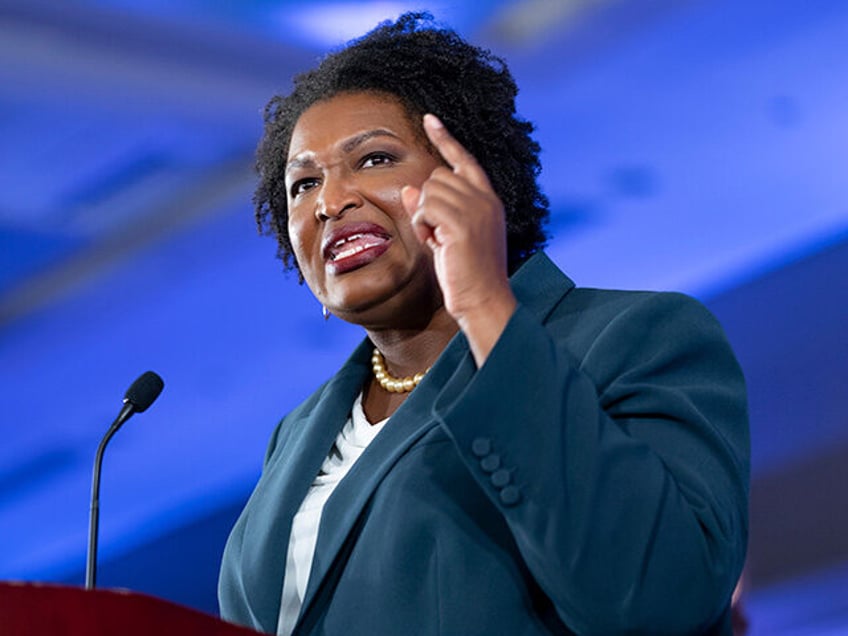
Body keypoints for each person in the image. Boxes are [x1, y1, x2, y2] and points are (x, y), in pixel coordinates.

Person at [218, 12, 749, 636]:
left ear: (472, 176)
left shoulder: (635, 339)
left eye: (373, 159)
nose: (330, 202)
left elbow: (660, 597)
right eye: (303, 184)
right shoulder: (297, 434)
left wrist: (484, 304)